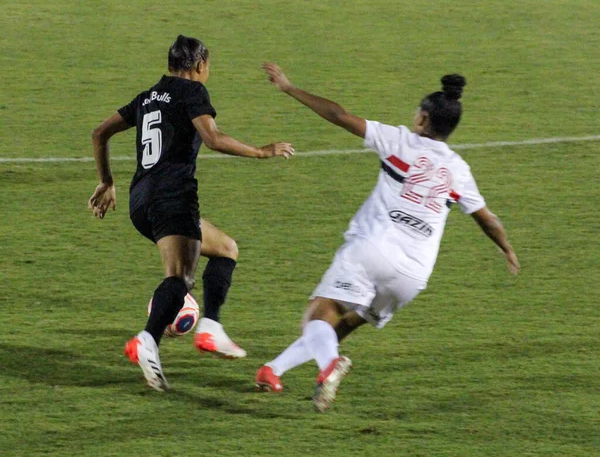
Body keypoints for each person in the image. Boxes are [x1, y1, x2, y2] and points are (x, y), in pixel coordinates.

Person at [255, 63, 519, 412]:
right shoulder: (459, 170)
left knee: (319, 316)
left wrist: (289, 87)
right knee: (342, 324)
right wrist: (507, 250)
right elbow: (488, 219)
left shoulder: (399, 141)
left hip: (373, 251)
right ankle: (272, 371)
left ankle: (328, 366)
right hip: (413, 276)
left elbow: (338, 114)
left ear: (423, 119)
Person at [88, 36, 294, 392]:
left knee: (226, 248)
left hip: (141, 201)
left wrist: (107, 181)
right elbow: (213, 139)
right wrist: (262, 152)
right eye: (208, 66)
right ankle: (147, 340)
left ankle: (211, 328)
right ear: (199, 65)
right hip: (173, 197)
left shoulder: (148, 96)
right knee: (180, 278)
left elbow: (100, 132)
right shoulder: (192, 92)